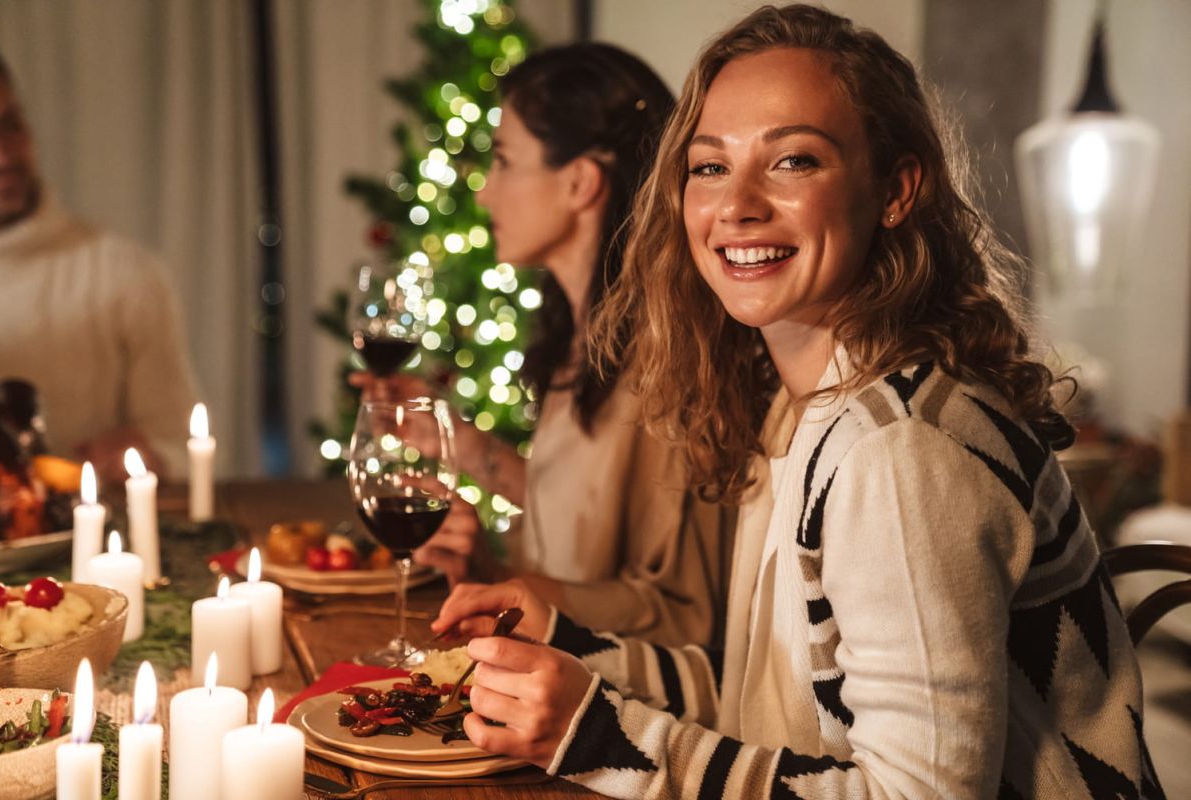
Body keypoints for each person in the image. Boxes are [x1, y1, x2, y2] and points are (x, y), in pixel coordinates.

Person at [429, 6, 1163, 798]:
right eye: (708, 167)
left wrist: (606, 736)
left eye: (794, 161)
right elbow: (765, 703)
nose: (736, 204)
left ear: (895, 188)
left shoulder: (898, 453)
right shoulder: (807, 406)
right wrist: (566, 641)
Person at [368, 43, 733, 647]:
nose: (484, 194)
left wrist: (508, 586)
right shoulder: (582, 329)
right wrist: (452, 445)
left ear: (581, 182)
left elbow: (679, 615)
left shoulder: (665, 360)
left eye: (506, 161)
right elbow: (581, 512)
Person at [0, 45, 197, 480]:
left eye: (9, 125)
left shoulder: (125, 273)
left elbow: (183, 447)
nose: (2, 156)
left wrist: (150, 456)